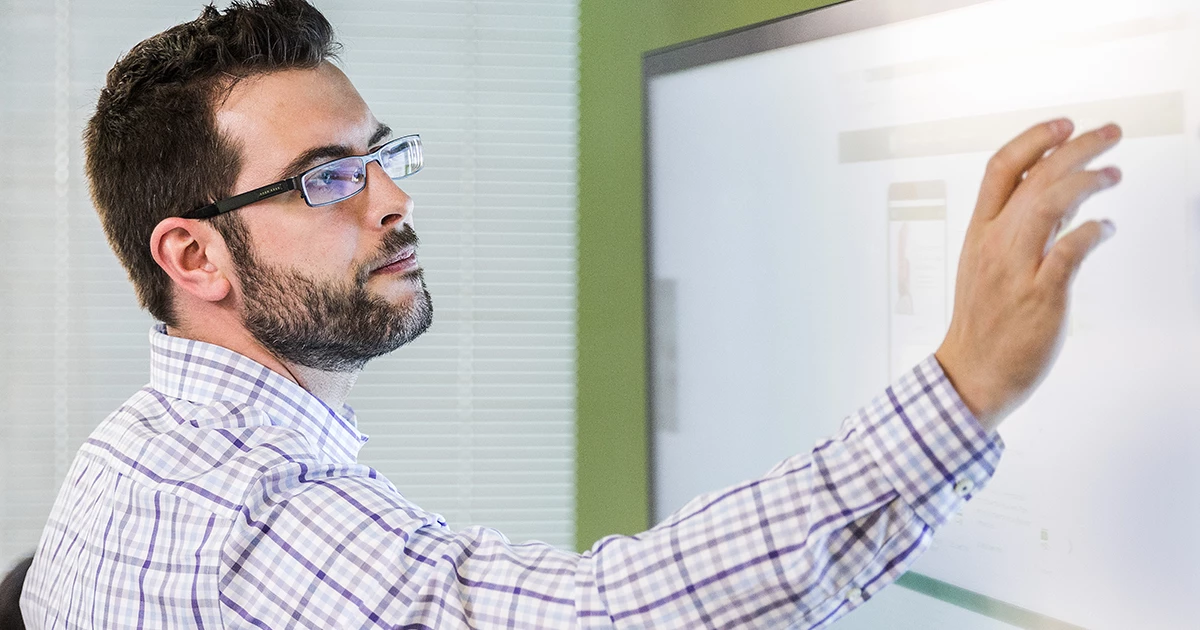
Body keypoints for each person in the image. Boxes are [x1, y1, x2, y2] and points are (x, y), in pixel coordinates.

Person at [20, 0, 1123, 627]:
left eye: (383, 156)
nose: (395, 199)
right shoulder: (254, 525)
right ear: (192, 255)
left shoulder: (135, 451)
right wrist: (968, 385)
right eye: (326, 178)